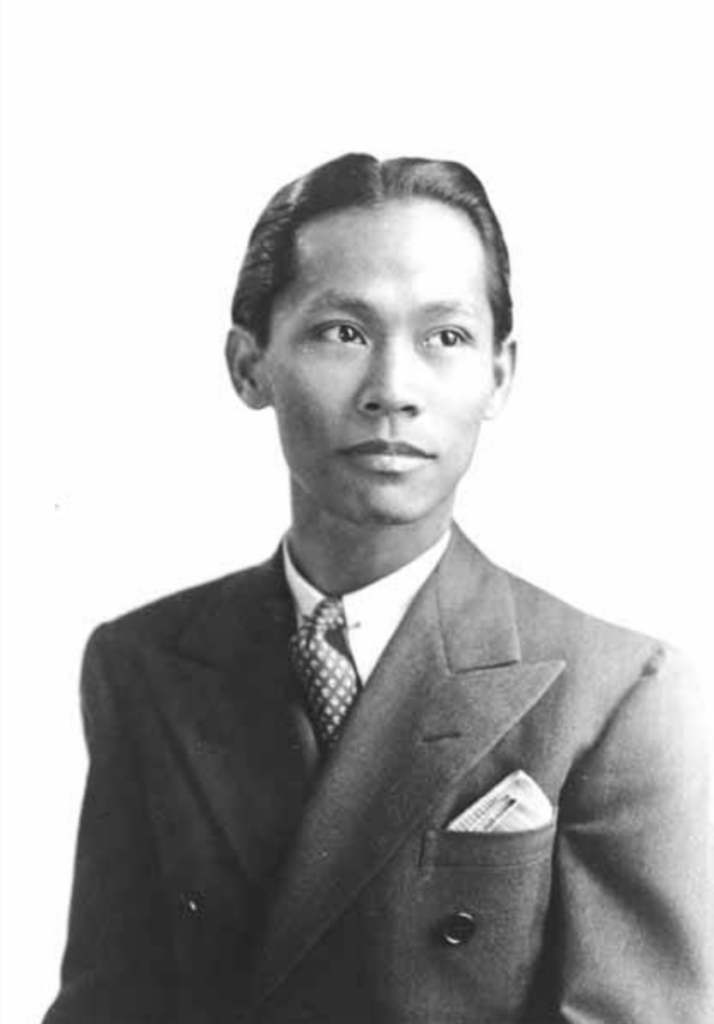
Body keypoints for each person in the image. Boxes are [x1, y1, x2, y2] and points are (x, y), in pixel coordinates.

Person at [43, 153, 709, 1024]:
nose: (393, 392)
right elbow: (108, 1001)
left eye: (446, 337)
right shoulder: (143, 666)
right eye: (342, 333)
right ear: (249, 366)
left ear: (499, 374)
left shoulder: (612, 691)